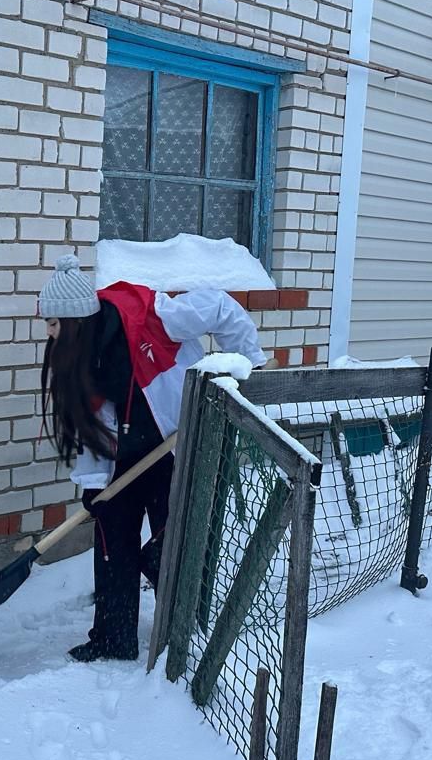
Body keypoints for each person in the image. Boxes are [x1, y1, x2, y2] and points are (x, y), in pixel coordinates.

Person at [38, 255, 268, 662]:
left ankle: (182, 636)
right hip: (123, 458)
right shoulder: (80, 358)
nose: (50, 333)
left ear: (75, 319)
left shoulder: (148, 317)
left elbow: (217, 307)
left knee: (170, 544)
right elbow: (92, 423)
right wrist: (95, 486)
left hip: (171, 448)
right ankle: (114, 637)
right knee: (112, 544)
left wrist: (252, 365)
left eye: (54, 323)